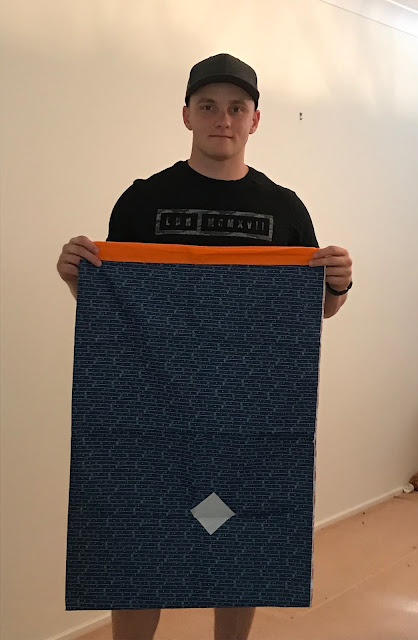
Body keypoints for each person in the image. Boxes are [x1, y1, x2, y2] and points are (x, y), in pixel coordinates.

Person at [57, 53, 353, 640]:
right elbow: (120, 309)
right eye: (209, 106)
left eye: (237, 108)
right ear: (186, 115)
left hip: (251, 415)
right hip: (150, 413)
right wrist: (77, 278)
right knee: (139, 539)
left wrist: (337, 285)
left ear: (255, 120)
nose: (224, 119)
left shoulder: (284, 209)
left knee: (240, 538)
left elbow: (315, 311)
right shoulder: (142, 201)